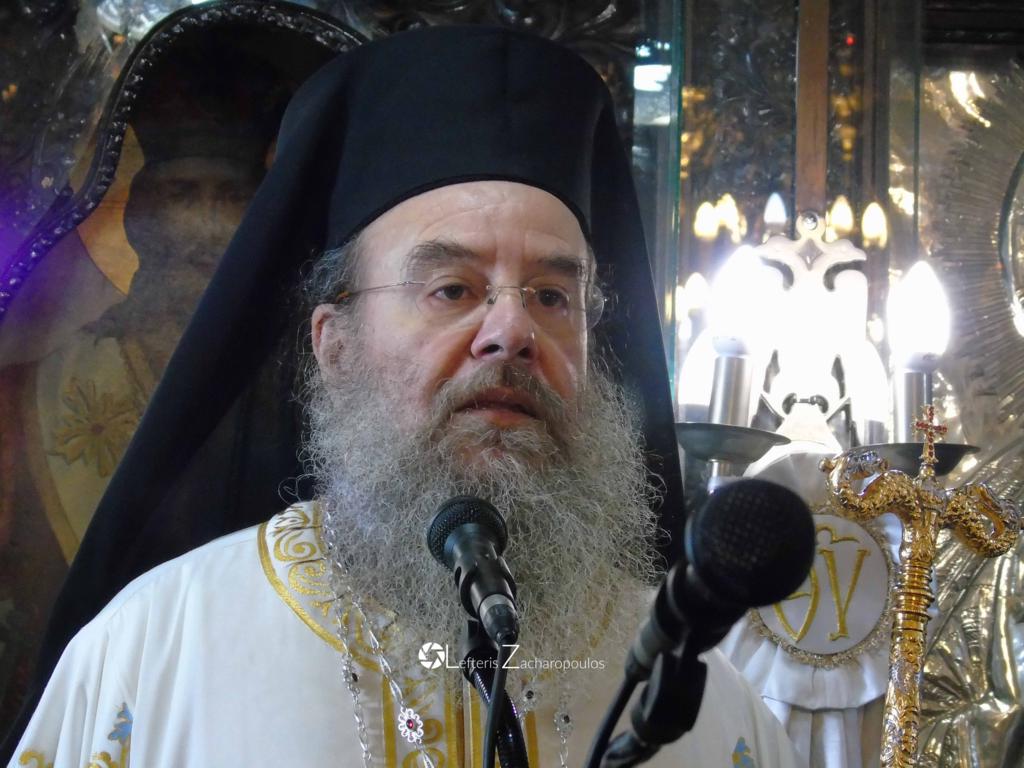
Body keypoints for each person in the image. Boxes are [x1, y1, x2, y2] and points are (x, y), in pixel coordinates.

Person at [7, 25, 802, 767]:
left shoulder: (698, 700)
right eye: (453, 289)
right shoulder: (154, 655)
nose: (512, 331)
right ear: (335, 345)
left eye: (553, 297)